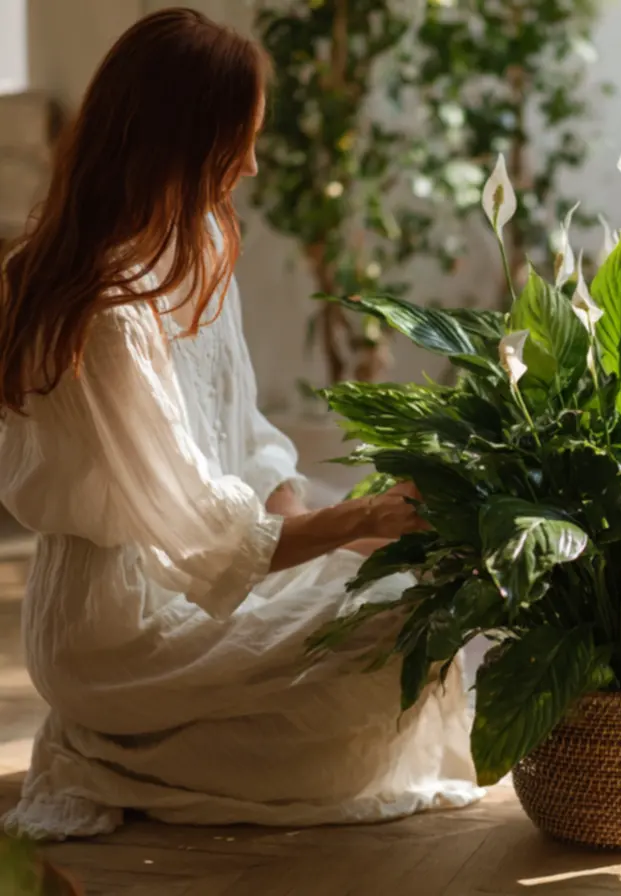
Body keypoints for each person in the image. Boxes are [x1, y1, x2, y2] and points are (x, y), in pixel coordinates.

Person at [0, 8, 482, 841]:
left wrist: (357, 543)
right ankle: (121, 747)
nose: (252, 164)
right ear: (178, 140)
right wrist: (359, 522)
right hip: (116, 628)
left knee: (419, 600)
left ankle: (152, 746)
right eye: (238, 142)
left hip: (202, 579)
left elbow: (245, 444)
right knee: (390, 631)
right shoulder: (107, 314)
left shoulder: (199, 243)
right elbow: (203, 538)